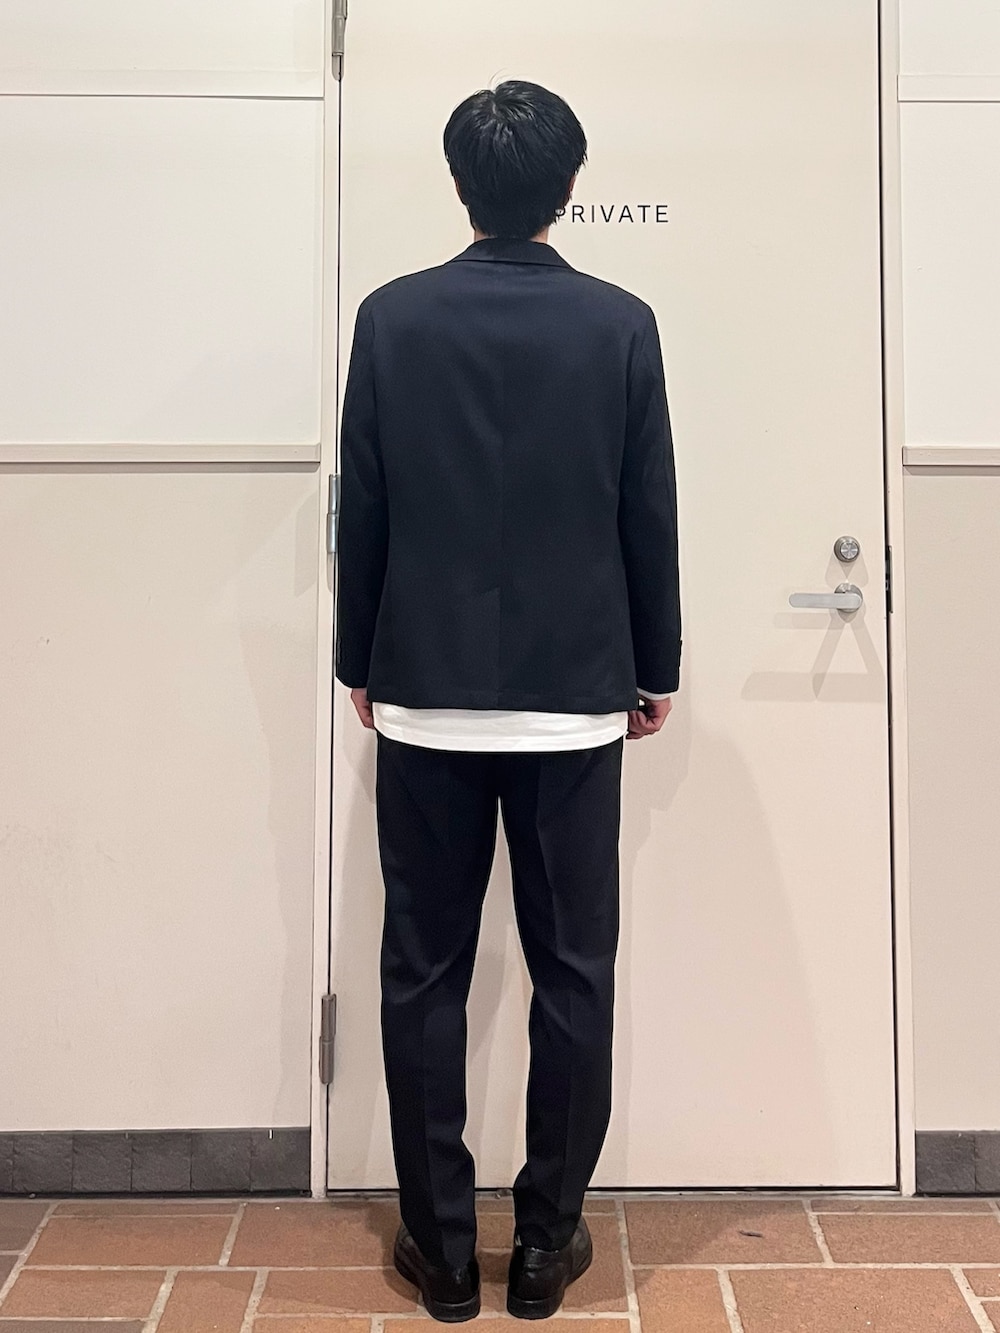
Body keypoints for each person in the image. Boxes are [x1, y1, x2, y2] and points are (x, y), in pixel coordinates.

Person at [335, 79, 680, 1323]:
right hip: (575, 699)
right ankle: (543, 1244)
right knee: (573, 971)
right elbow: (645, 507)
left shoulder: (391, 318)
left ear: (460, 184)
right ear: (567, 186)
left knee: (422, 973)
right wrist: (656, 667)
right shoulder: (619, 324)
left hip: (424, 694)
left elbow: (364, 504)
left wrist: (359, 661)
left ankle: (440, 1251)